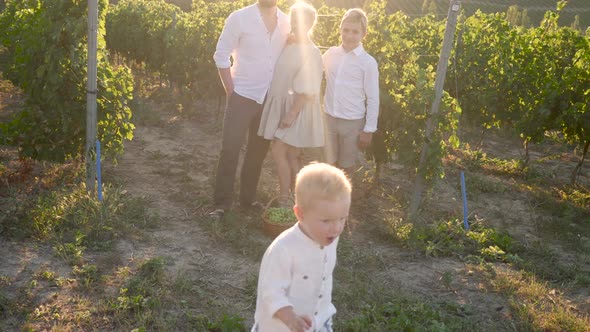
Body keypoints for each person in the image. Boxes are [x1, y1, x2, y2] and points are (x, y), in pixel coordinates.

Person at [210, 0, 291, 217]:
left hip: (269, 99)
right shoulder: (239, 18)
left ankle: (247, 200)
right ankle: (222, 204)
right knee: (230, 149)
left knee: (257, 152)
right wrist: (231, 91)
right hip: (242, 96)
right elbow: (220, 55)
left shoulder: (286, 21)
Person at [252, 162, 351, 332]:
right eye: (326, 221)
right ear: (300, 214)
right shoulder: (284, 249)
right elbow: (270, 292)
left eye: (342, 218)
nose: (336, 228)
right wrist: (290, 318)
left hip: (319, 320)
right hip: (282, 326)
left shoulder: (330, 236)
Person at [258, 1, 324, 207]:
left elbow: (307, 90)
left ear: (311, 23)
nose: (297, 24)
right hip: (285, 105)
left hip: (297, 109)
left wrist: (291, 114)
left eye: (302, 21)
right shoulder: (290, 43)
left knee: (278, 150)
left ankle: (285, 198)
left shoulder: (311, 52)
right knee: (292, 154)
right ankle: (303, 199)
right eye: (294, 19)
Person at [322, 8, 379, 175]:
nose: (349, 35)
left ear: (364, 34)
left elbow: (373, 98)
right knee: (329, 164)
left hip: (352, 123)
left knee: (346, 167)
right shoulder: (331, 54)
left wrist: (368, 130)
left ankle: (343, 200)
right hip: (329, 118)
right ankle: (328, 199)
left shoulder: (367, 63)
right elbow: (313, 68)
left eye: (355, 32)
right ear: (340, 30)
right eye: (346, 30)